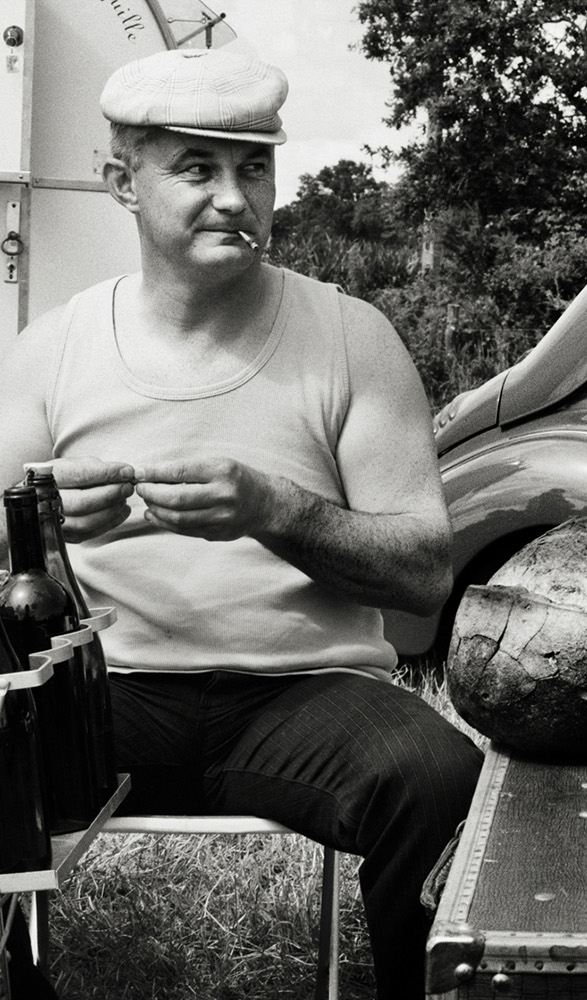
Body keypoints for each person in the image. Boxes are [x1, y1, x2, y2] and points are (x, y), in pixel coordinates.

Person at [0, 48, 483, 999]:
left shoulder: (351, 336)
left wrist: (276, 512)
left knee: (439, 780)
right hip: (104, 699)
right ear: (122, 183)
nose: (234, 198)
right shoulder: (54, 346)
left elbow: (424, 572)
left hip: (304, 697)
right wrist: (44, 534)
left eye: (253, 168)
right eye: (197, 168)